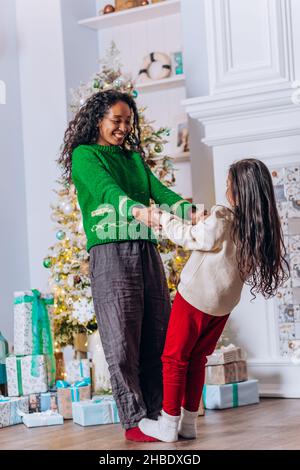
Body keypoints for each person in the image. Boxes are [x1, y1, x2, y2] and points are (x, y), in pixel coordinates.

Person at [58, 89, 196, 442]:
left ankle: (159, 416)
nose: (122, 128)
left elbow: (160, 191)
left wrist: (191, 212)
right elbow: (106, 190)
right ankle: (135, 422)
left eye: (127, 123)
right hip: (110, 255)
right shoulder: (85, 155)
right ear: (98, 120)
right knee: (121, 341)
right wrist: (136, 210)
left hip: (146, 252)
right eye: (115, 121)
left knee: (158, 335)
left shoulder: (133, 158)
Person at [139, 158, 289, 442]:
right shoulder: (260, 228)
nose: (226, 190)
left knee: (173, 358)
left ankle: (168, 423)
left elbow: (192, 238)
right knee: (197, 359)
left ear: (238, 190)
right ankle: (188, 424)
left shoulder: (222, 216)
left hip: (195, 297)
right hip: (222, 306)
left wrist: (163, 219)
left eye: (229, 185)